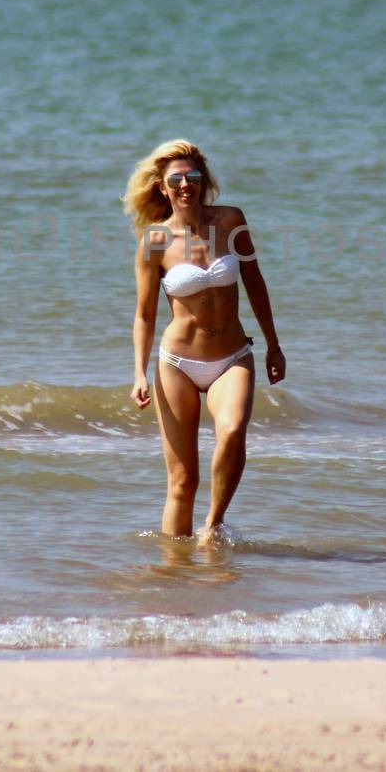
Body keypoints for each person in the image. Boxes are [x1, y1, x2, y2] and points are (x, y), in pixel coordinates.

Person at [123, 140, 285, 541]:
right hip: (177, 363)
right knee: (182, 481)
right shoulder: (154, 241)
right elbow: (145, 314)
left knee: (231, 431)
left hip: (232, 356)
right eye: (175, 179)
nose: (185, 185)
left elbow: (255, 282)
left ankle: (212, 526)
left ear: (203, 181)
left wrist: (273, 344)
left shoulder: (231, 221)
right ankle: (174, 576)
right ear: (162, 187)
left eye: (192, 177)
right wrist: (139, 373)